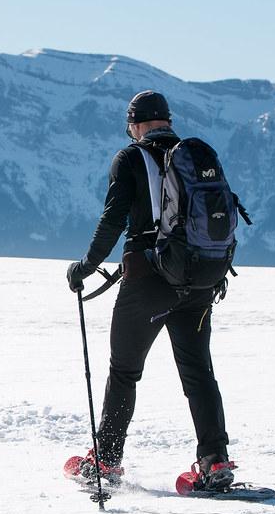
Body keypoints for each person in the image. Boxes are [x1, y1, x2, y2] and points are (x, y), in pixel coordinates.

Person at [66, 90, 235, 491]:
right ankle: (215, 464)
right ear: (168, 121)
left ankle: (105, 461)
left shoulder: (130, 158)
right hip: (197, 282)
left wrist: (85, 267)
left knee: (124, 371)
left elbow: (112, 220)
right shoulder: (192, 158)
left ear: (136, 124)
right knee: (198, 374)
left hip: (148, 283)